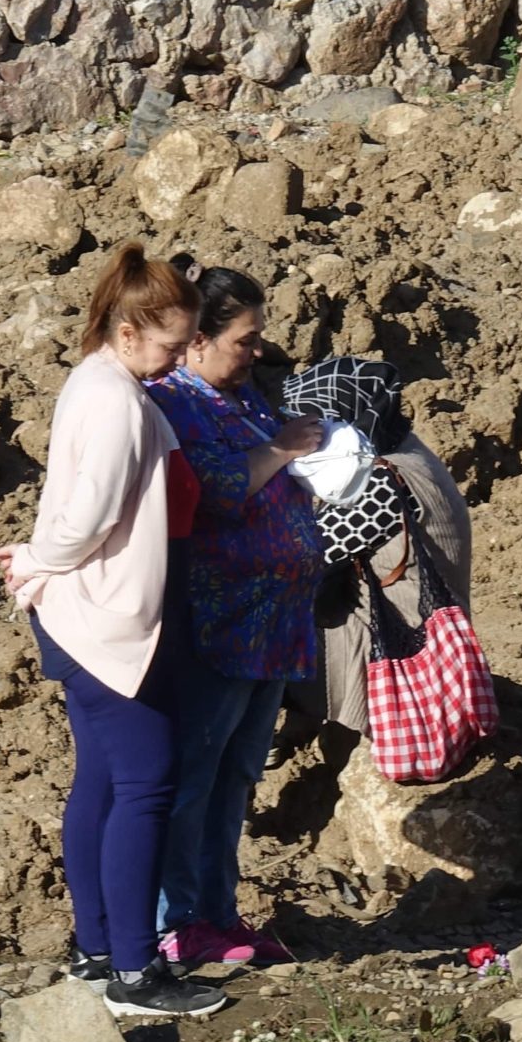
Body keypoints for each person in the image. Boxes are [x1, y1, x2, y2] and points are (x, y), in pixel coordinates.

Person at [0, 244, 226, 1019]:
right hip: (106, 621)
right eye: (171, 343)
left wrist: (43, 564)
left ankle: (97, 954)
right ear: (127, 331)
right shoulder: (120, 402)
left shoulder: (97, 381)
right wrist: (35, 556)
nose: (180, 356)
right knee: (146, 784)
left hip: (83, 616)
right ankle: (135, 973)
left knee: (101, 779)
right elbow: (85, 518)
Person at [145, 265, 326, 968]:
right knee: (196, 776)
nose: (256, 353)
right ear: (195, 341)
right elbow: (222, 491)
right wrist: (283, 448)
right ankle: (175, 919)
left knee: (237, 776)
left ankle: (218, 914)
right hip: (221, 623)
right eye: (243, 340)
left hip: (275, 627)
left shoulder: (243, 398)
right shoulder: (175, 404)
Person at [281, 356, 476, 740]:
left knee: (261, 635)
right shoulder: (406, 449)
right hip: (418, 625)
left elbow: (307, 558)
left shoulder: (379, 480)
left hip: (400, 642)